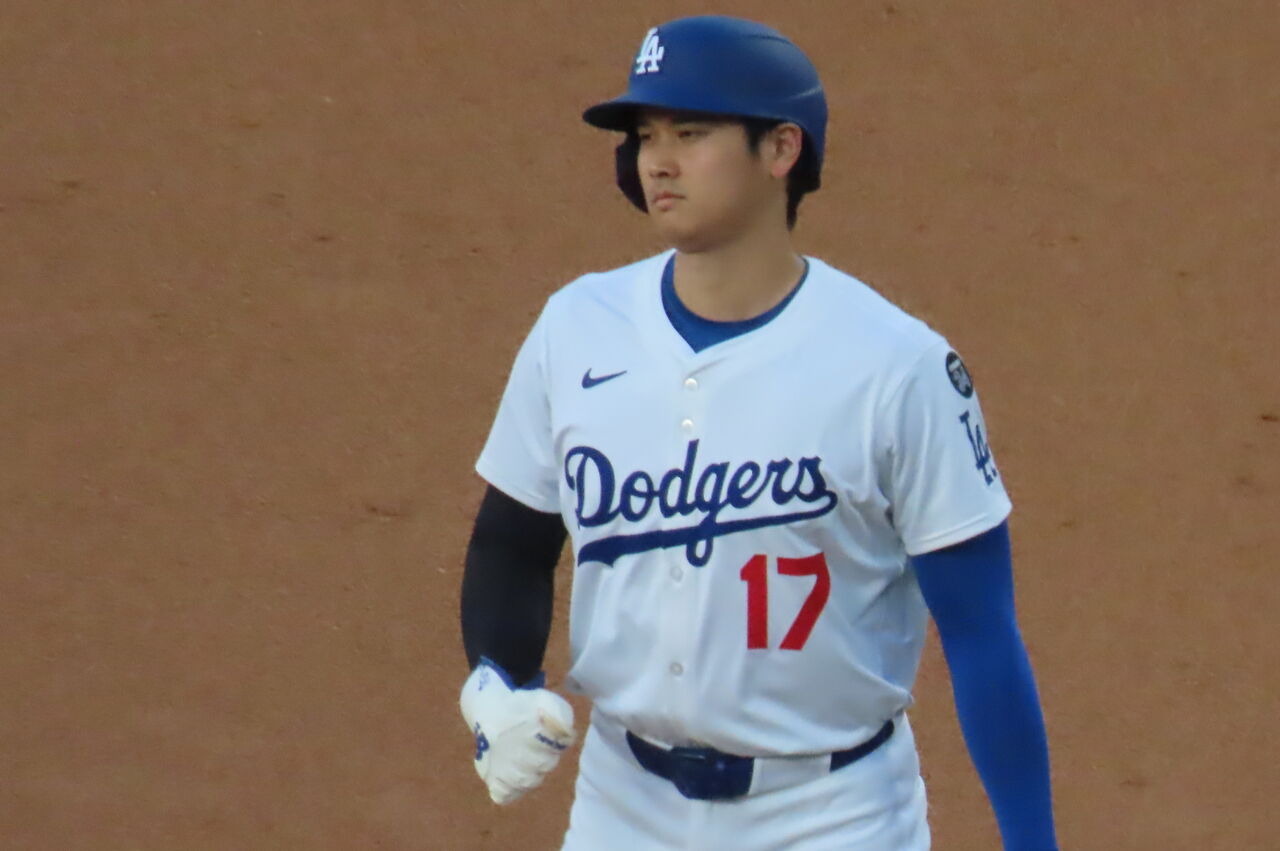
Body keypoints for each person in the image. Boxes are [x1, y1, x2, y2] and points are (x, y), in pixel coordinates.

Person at [459, 15, 1058, 850]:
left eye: (690, 133)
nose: (656, 160)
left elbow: (980, 631)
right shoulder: (576, 328)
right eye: (645, 135)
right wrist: (497, 682)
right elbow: (513, 543)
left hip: (833, 815)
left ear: (781, 149)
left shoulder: (897, 368)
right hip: (622, 805)